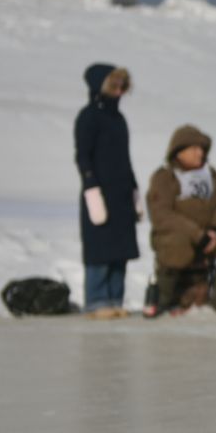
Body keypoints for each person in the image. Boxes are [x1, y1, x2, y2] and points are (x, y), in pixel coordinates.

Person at [146, 124, 216, 315]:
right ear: (179, 151)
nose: (200, 154)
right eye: (194, 149)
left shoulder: (212, 177)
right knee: (176, 242)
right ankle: (164, 299)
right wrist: (197, 234)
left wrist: (215, 230)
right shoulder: (165, 177)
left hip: (210, 237)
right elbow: (161, 215)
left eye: (202, 149)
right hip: (178, 239)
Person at [73, 64, 139, 318]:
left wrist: (134, 190)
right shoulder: (89, 116)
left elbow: (125, 158)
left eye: (123, 86)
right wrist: (90, 187)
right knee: (100, 249)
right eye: (115, 85)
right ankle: (97, 301)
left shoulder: (119, 119)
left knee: (120, 251)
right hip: (99, 193)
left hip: (121, 193)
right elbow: (82, 155)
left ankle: (115, 299)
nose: (120, 91)